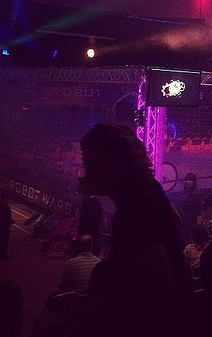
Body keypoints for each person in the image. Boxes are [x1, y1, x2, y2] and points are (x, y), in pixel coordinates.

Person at [69, 123, 194, 336]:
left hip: (156, 322)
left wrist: (97, 308)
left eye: (96, 167)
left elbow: (160, 285)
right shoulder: (149, 186)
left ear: (119, 166)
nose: (88, 175)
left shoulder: (132, 212)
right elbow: (176, 220)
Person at [76, 179, 103, 257]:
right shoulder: (86, 202)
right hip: (85, 239)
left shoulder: (94, 204)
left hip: (89, 242)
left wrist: (85, 238)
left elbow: (95, 225)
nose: (78, 187)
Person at [176, 172, 202, 248]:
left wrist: (198, 224)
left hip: (191, 220)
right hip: (182, 220)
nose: (188, 182)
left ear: (194, 182)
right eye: (186, 180)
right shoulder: (183, 194)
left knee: (190, 240)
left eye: (190, 180)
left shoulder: (197, 195)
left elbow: (199, 211)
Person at [0, 192, 14, 262]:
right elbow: (7, 218)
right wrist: (10, 222)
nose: (8, 201)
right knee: (3, 242)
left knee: (0, 242)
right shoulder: (7, 208)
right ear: (5, 199)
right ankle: (2, 256)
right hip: (4, 228)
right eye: (8, 199)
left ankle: (0, 256)